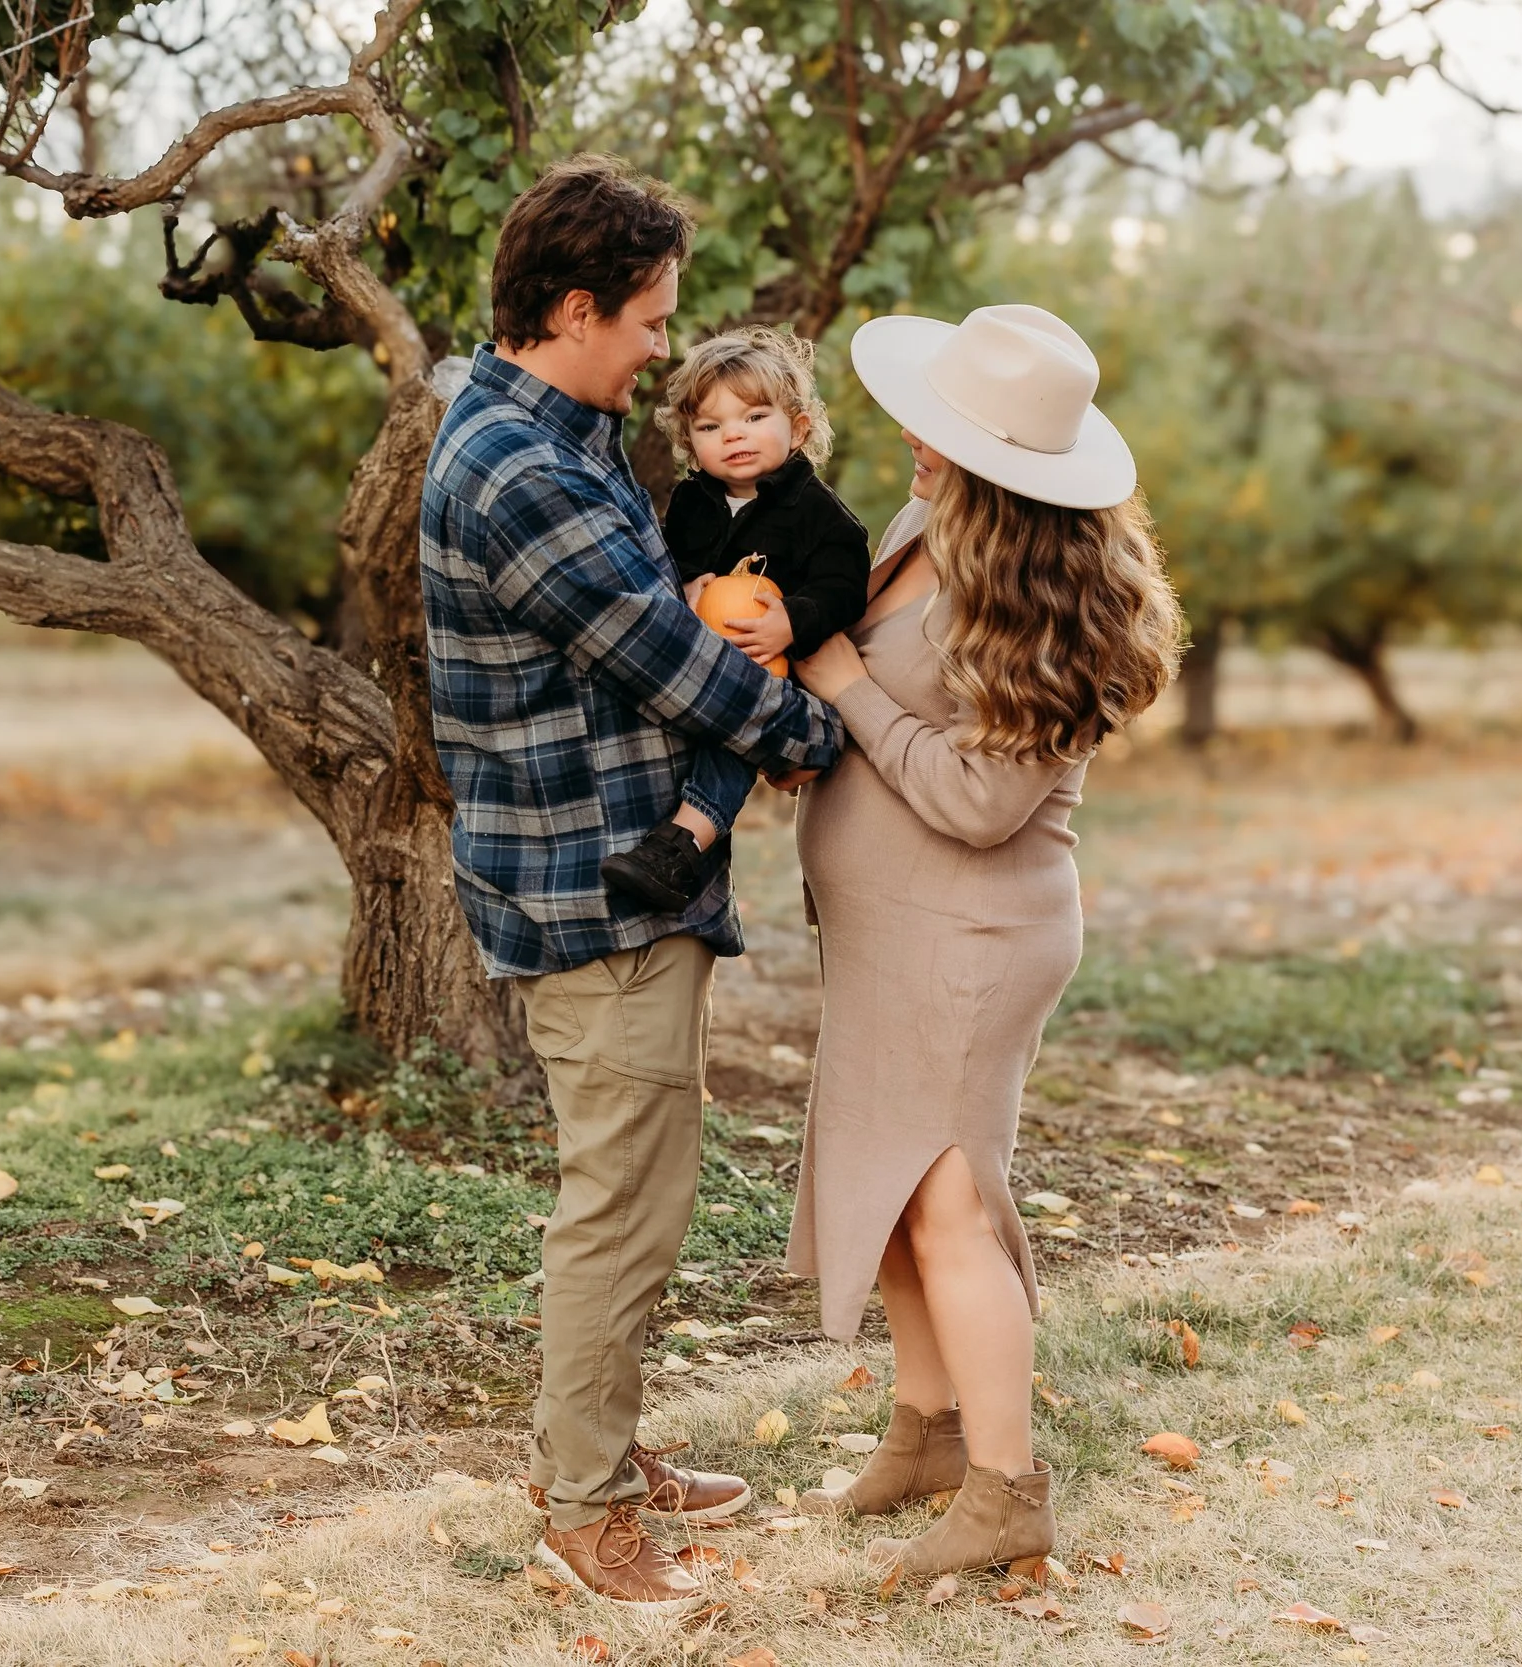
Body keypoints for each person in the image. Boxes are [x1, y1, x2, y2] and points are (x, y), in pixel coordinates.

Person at [417, 155, 846, 1614]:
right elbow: (667, 653)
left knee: (637, 1185)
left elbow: (669, 602)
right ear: (580, 306)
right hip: (594, 889)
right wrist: (815, 731)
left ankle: (595, 1445)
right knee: (625, 1206)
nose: (670, 347)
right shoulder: (525, 469)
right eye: (654, 320)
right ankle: (587, 1512)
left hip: (603, 868)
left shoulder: (558, 421)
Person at [784, 303, 1181, 1580]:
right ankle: (931, 1429)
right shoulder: (925, 531)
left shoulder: (1047, 610)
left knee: (950, 1203)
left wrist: (840, 685)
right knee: (898, 1195)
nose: (913, 439)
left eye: (942, 431)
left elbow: (974, 799)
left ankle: (1009, 1488)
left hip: (970, 935)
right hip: (893, 926)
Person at [598, 326, 871, 913]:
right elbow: (675, 563)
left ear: (797, 427)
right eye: (711, 427)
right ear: (689, 441)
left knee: (733, 744)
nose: (734, 436)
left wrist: (793, 621)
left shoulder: (819, 514)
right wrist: (690, 580)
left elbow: (845, 589)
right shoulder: (694, 501)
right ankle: (655, 835)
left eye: (752, 417)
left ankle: (683, 846)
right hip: (701, 659)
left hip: (776, 670)